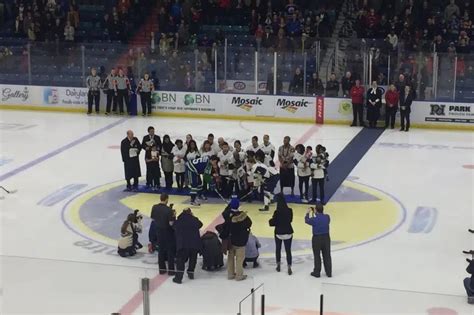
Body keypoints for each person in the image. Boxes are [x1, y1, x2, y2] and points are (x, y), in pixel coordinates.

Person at [220, 197, 252, 281]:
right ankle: (239, 275)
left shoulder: (227, 215)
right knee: (239, 259)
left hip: (231, 240)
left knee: (230, 257)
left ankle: (230, 274)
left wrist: (229, 206)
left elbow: (224, 213)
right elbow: (249, 223)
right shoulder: (243, 216)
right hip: (241, 241)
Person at [172, 208, 203, 284]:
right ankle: (190, 272)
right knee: (193, 259)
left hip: (183, 244)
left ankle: (178, 278)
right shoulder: (194, 219)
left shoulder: (179, 220)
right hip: (194, 243)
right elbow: (200, 224)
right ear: (190, 213)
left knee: (181, 261)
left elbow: (173, 227)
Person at [150, 194, 176, 275]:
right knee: (170, 251)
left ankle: (162, 269)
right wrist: (174, 217)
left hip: (158, 231)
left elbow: (153, 218)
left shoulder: (154, 207)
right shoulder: (169, 210)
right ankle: (171, 271)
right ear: (167, 199)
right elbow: (171, 223)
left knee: (161, 250)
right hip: (168, 232)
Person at [269, 193, 294, 275]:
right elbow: (290, 220)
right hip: (288, 233)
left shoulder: (277, 212)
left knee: (278, 249)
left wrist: (271, 220)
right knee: (288, 250)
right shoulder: (290, 210)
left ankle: (278, 265)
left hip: (279, 233)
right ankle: (289, 266)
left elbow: (272, 223)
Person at [305, 204, 332, 278]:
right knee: (327, 255)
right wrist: (315, 213)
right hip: (326, 237)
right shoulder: (327, 217)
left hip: (317, 238)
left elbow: (307, 220)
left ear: (316, 210)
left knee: (317, 255)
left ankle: (317, 272)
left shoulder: (314, 219)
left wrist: (308, 213)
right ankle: (329, 272)